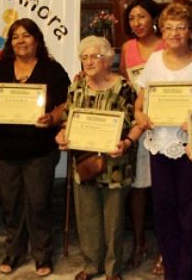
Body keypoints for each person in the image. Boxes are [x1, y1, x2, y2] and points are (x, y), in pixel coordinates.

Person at [0, 18, 70, 277]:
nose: (21, 41)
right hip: (5, 150)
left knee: (39, 203)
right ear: (10, 42)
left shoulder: (52, 70)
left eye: (26, 35)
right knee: (11, 204)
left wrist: (52, 117)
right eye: (16, 36)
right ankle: (14, 251)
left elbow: (67, 103)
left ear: (37, 40)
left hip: (40, 150)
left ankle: (42, 254)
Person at [133, 2, 192, 280]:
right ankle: (172, 273)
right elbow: (139, 103)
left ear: (191, 31)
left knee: (191, 216)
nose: (174, 33)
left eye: (181, 27)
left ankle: (188, 275)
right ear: (161, 31)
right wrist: (139, 115)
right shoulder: (154, 61)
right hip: (159, 146)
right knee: (164, 215)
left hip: (191, 148)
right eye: (168, 28)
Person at [55, 36, 141, 280]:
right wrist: (62, 135)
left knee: (113, 220)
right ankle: (92, 265)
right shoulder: (76, 87)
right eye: (84, 57)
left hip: (115, 163)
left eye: (95, 56)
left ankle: (113, 269)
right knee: (87, 217)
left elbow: (136, 123)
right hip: (83, 162)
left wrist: (127, 142)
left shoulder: (124, 88)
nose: (89, 61)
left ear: (108, 60)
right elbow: (67, 121)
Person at [117, 0, 165, 273]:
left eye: (142, 16)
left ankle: (165, 248)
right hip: (137, 124)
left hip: (164, 123)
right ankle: (138, 243)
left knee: (162, 188)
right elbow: (125, 83)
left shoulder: (166, 44)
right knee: (137, 186)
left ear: (154, 18)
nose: (137, 23)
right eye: (132, 18)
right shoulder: (127, 48)